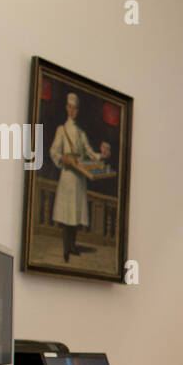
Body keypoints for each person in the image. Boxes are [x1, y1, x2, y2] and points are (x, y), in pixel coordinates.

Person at [48, 92, 110, 262]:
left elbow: (90, 152)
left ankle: (73, 246)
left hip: (79, 177)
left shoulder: (81, 133)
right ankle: (66, 249)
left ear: (78, 110)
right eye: (70, 108)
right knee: (66, 214)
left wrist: (101, 156)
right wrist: (63, 158)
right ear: (66, 108)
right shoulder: (61, 130)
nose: (72, 111)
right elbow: (53, 151)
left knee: (75, 213)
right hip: (67, 176)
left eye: (75, 109)